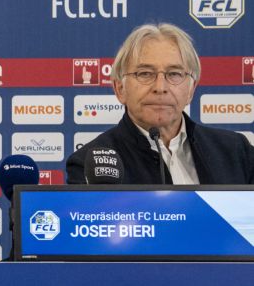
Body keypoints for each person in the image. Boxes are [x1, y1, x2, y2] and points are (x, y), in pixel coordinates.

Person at [67, 23, 254, 184]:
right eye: (145, 73)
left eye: (174, 74)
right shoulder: (88, 163)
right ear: (120, 89)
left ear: (191, 89)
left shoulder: (236, 151)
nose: (160, 87)